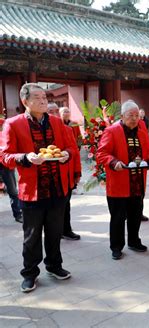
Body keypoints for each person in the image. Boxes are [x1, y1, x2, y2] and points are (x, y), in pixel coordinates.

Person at [1, 83, 75, 293]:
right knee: (32, 236)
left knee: (54, 231)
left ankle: (54, 266)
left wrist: (66, 155)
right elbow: (5, 156)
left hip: (57, 188)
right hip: (32, 191)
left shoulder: (57, 123)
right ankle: (30, 273)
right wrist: (25, 157)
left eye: (44, 96)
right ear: (25, 101)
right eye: (37, 97)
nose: (43, 100)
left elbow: (70, 147)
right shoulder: (13, 124)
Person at [96, 100, 149, 260]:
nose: (134, 118)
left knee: (136, 214)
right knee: (118, 218)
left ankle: (134, 241)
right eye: (130, 115)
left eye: (136, 115)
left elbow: (147, 152)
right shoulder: (112, 131)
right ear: (122, 116)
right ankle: (116, 246)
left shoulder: (142, 131)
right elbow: (101, 154)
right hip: (119, 183)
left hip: (137, 182)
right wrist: (114, 162)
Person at [48, 104, 82, 241]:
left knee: (65, 205)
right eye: (51, 111)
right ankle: (52, 233)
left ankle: (66, 230)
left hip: (66, 175)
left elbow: (75, 153)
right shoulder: (41, 131)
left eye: (57, 111)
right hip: (46, 176)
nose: (55, 113)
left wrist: (77, 173)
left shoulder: (68, 129)